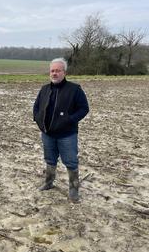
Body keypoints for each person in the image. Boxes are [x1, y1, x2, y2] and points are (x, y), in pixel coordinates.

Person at [33, 58, 89, 202]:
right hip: (48, 134)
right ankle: (49, 182)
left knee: (70, 162)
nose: (54, 73)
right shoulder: (44, 89)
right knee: (50, 160)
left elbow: (84, 108)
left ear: (64, 72)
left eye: (58, 70)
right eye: (52, 70)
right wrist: (38, 120)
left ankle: (73, 189)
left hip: (67, 135)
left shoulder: (74, 89)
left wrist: (69, 119)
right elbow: (37, 107)